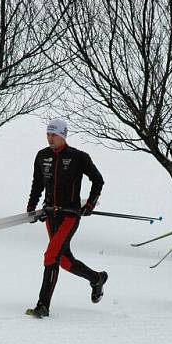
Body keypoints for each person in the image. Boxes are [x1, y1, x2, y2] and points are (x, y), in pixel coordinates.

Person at [25, 118, 107, 318]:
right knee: (62, 260)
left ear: (63, 136)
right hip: (50, 214)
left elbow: (98, 180)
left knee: (51, 255)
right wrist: (31, 207)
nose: (50, 138)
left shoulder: (78, 157)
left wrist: (89, 204)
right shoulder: (42, 156)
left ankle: (43, 305)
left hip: (69, 215)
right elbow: (37, 184)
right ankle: (96, 279)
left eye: (54, 135)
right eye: (48, 134)